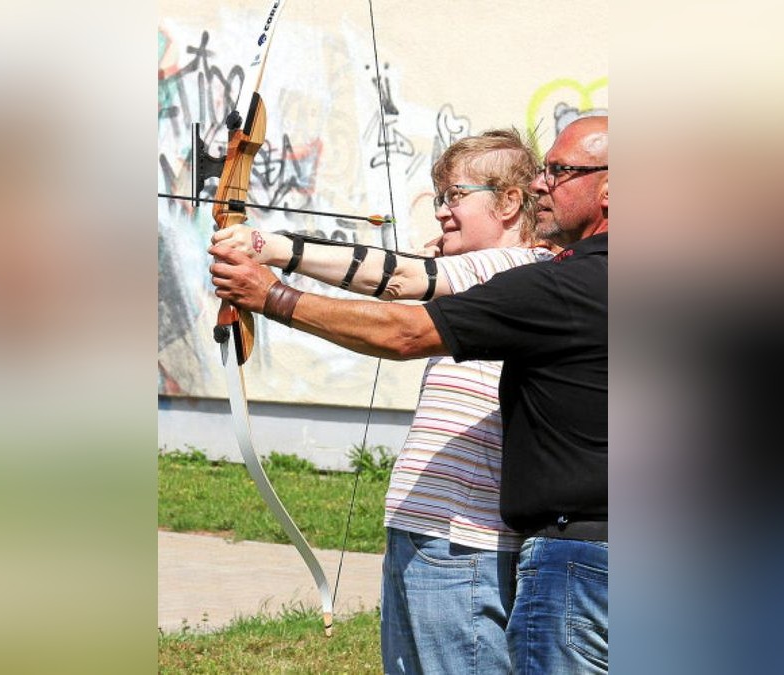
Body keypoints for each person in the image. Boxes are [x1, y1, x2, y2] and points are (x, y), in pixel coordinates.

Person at [210, 113, 609, 674]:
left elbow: (397, 281)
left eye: (456, 195)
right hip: (424, 531)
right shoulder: (504, 274)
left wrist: (268, 253)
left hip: (463, 544)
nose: (442, 209)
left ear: (509, 203)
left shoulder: (529, 270)